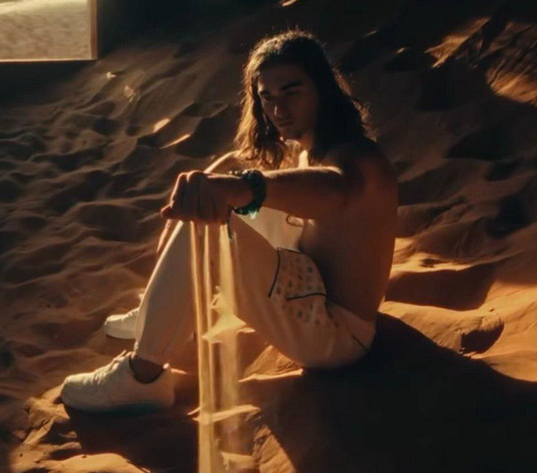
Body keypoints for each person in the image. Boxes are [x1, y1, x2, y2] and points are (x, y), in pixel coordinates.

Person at [60, 30, 398, 412]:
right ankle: (160, 312)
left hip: (335, 336)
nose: (279, 110)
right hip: (306, 286)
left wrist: (246, 187)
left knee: (212, 220)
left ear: (322, 89)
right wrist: (228, 180)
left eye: (292, 92)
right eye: (267, 97)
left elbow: (338, 190)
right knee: (221, 179)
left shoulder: (358, 161)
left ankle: (142, 376)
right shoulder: (310, 149)